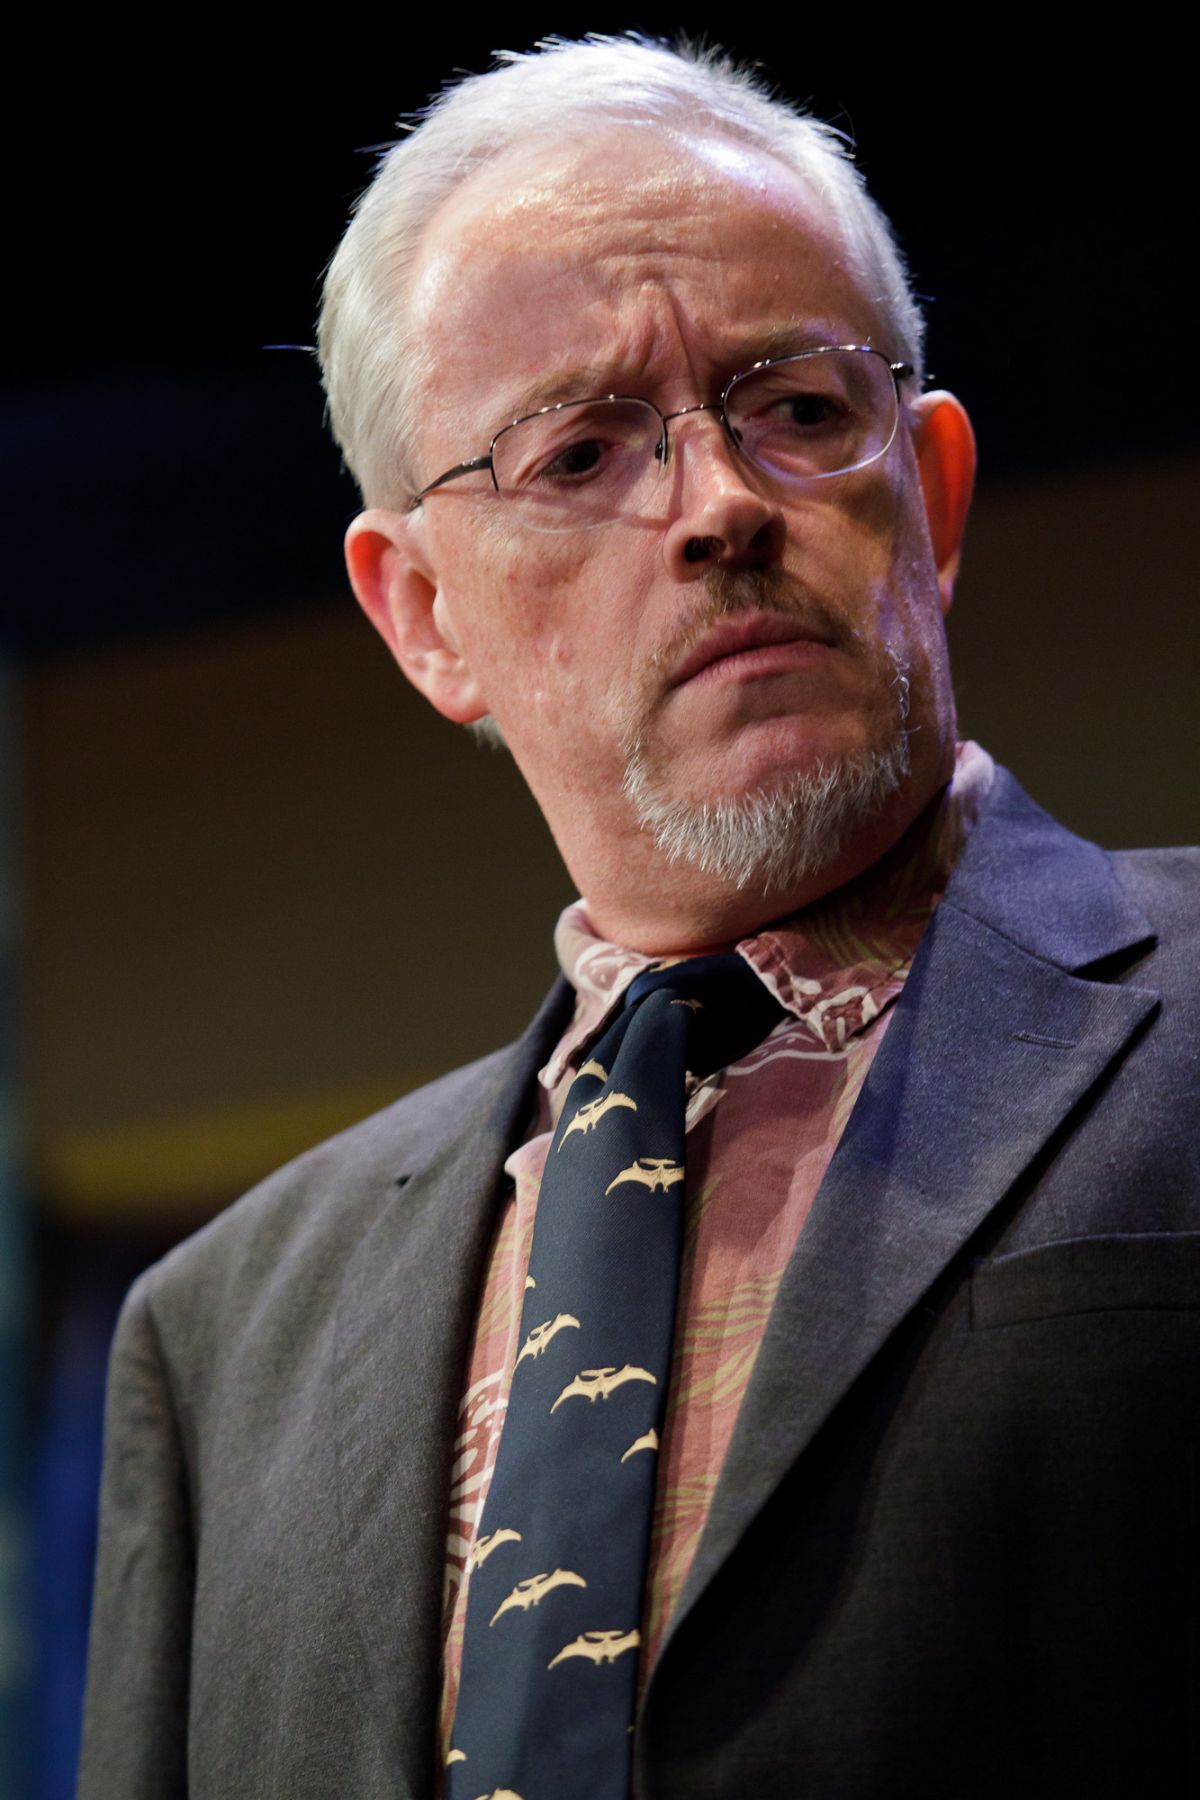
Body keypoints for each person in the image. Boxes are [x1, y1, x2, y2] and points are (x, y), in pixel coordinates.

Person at [79, 37, 1198, 1800]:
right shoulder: (223, 1336)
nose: (725, 506)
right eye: (584, 449)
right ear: (423, 616)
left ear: (931, 495)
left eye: (800, 411)